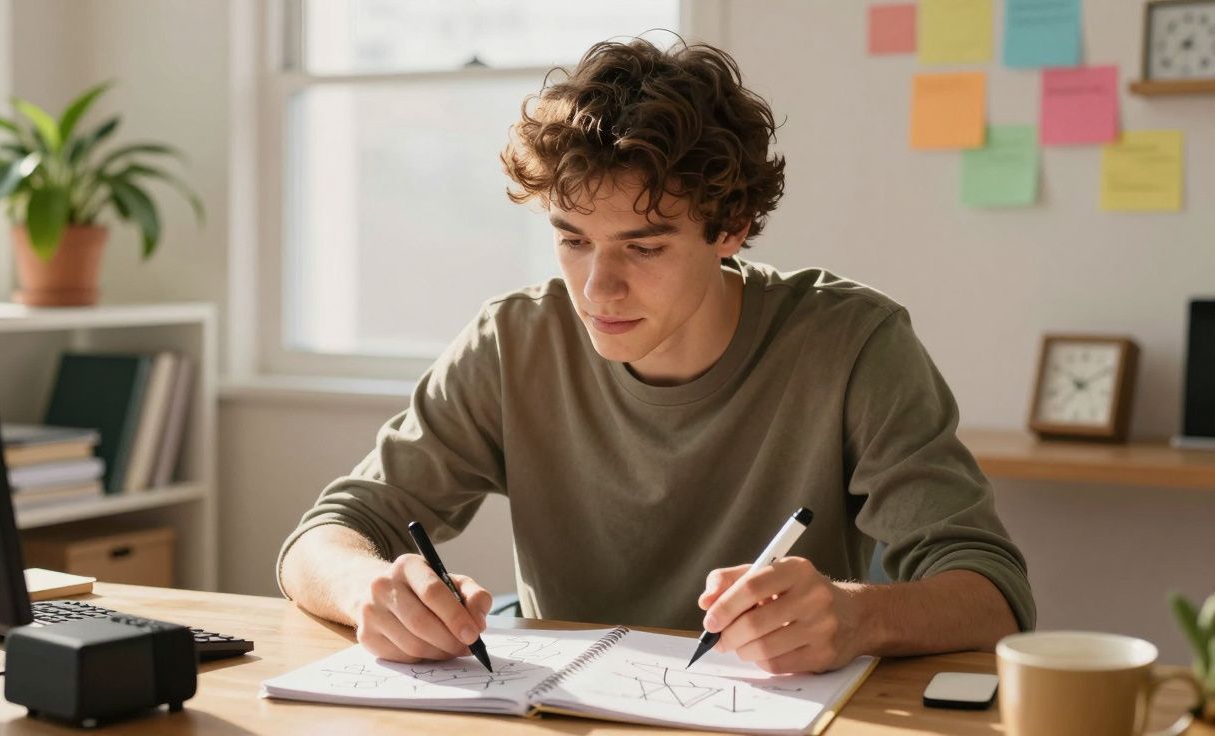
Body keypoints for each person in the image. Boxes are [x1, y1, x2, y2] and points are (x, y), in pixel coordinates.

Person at [277, 37, 1034, 675]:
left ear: (731, 228)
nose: (597, 287)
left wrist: (855, 616)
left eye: (643, 246)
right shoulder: (514, 342)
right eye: (572, 240)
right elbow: (324, 536)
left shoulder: (851, 344)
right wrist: (369, 590)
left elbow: (992, 593)